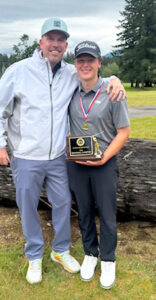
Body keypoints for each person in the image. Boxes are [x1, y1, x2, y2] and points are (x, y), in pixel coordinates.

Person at [0, 18, 126, 284]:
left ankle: (60, 250)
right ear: (41, 42)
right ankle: (35, 255)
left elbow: (95, 76)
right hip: (26, 156)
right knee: (28, 207)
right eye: (51, 38)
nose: (55, 44)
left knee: (62, 204)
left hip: (60, 156)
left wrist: (116, 79)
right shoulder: (19, 70)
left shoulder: (71, 72)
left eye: (61, 40)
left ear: (65, 45)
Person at [67, 41, 130, 289]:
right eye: (80, 60)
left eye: (90, 60)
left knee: (106, 214)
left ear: (99, 63)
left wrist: (104, 158)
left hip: (104, 164)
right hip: (76, 165)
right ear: (75, 64)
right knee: (83, 212)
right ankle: (90, 254)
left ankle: (108, 259)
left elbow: (124, 132)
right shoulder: (69, 90)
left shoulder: (113, 92)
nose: (85, 65)